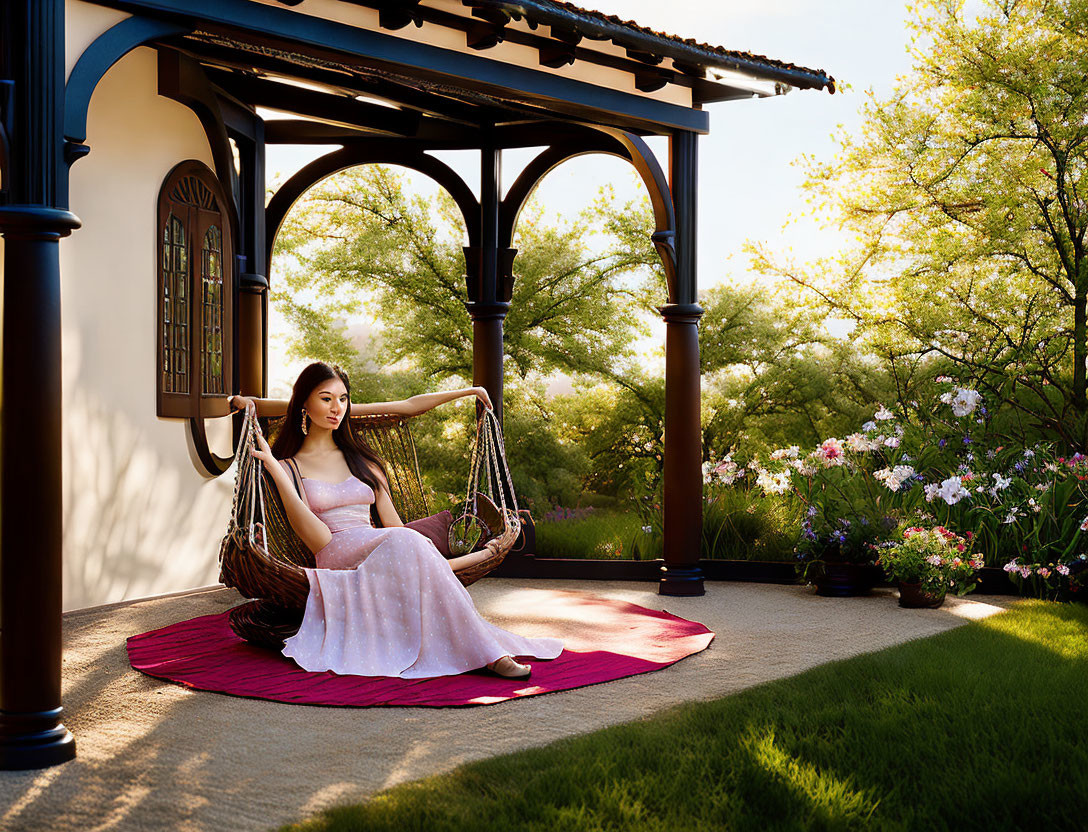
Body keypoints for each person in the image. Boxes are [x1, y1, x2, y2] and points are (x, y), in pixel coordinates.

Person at [228, 361, 562, 680]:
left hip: (381, 550)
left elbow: (398, 527)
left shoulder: (365, 463)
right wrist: (271, 462)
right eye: (326, 398)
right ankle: (489, 653)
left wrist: (468, 391)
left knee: (407, 541)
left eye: (343, 399)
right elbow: (318, 539)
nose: (337, 408)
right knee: (406, 542)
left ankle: (484, 650)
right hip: (335, 553)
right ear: (304, 404)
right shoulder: (289, 466)